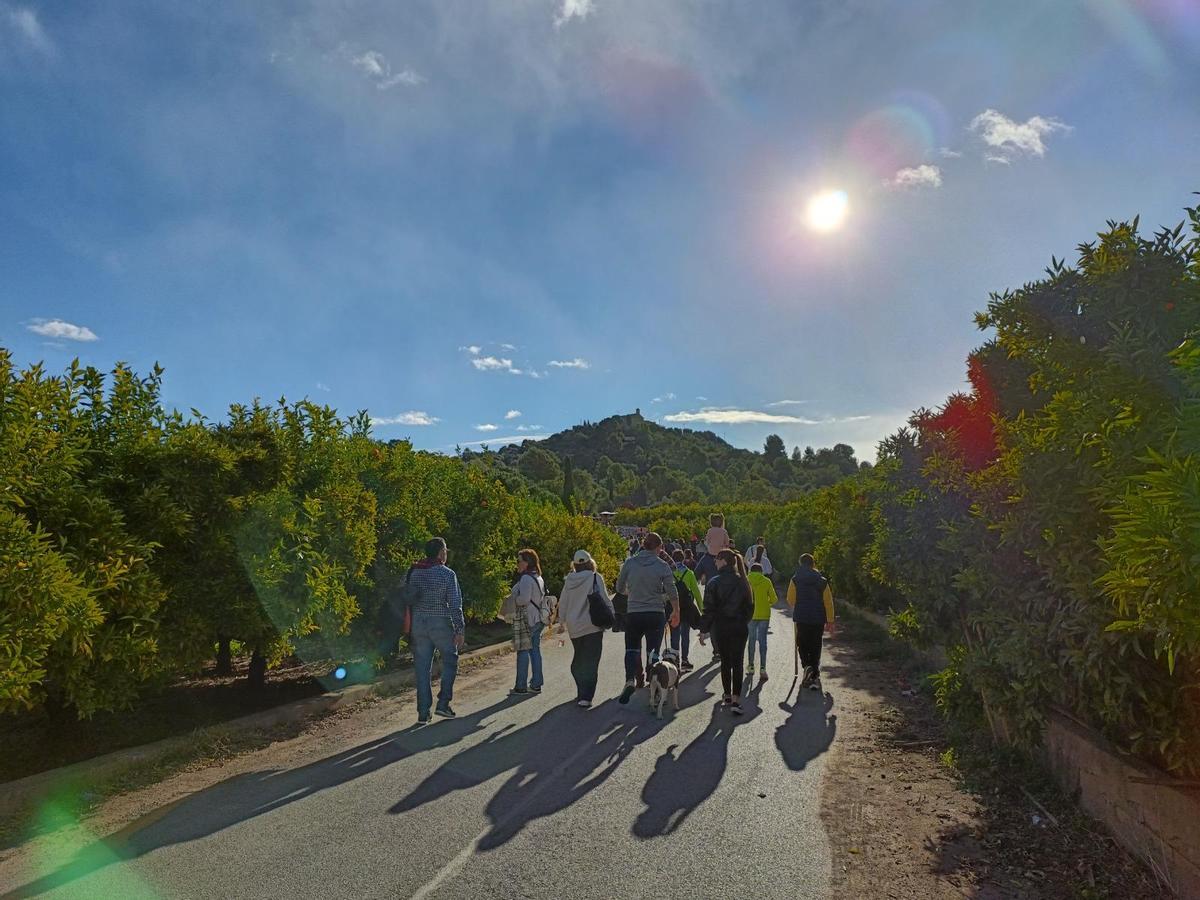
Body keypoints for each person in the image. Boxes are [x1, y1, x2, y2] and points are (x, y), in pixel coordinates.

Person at [614, 532, 680, 705]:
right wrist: (676, 611)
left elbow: (619, 587)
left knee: (632, 649)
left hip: (634, 612)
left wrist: (632, 592)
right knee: (653, 652)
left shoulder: (629, 563)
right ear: (658, 548)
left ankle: (630, 680)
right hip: (655, 613)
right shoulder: (662, 565)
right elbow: (672, 590)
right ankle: (655, 688)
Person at [408, 537, 466, 723]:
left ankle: (423, 712)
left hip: (418, 624)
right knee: (450, 660)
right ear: (441, 553)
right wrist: (459, 629)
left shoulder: (414, 572)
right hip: (440, 623)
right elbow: (455, 604)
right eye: (446, 550)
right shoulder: (447, 574)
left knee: (422, 668)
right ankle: (443, 704)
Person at [698, 549, 754, 713]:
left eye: (716, 559)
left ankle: (727, 695)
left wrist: (703, 630)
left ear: (723, 560)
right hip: (739, 627)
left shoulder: (714, 582)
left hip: (721, 627)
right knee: (738, 662)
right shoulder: (744, 581)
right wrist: (742, 620)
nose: (714, 562)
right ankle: (736, 700)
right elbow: (750, 607)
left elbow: (708, 609)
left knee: (725, 662)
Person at [557, 549, 614, 708]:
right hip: (593, 625)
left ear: (574, 565)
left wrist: (561, 622)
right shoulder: (596, 577)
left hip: (574, 627)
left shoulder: (569, 580)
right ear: (590, 563)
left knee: (579, 659)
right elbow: (604, 599)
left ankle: (581, 691)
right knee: (591, 661)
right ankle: (586, 696)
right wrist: (613, 615)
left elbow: (564, 601)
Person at [787, 552, 836, 692]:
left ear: (800, 564)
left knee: (802, 643)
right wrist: (831, 620)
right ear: (813, 564)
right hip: (818, 618)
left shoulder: (795, 579)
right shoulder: (822, 580)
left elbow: (791, 600)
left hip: (801, 617)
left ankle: (806, 665)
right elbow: (828, 602)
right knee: (815, 644)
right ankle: (814, 674)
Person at [507, 548, 550, 694]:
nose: (517, 564)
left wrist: (513, 600)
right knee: (535, 651)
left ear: (526, 562)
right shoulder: (538, 577)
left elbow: (524, 599)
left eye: (519, 561)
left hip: (527, 620)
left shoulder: (526, 578)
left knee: (523, 651)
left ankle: (521, 686)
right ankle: (536, 683)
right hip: (538, 619)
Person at [670, 549, 703, 672]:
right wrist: (702, 610)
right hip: (687, 609)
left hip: (673, 608)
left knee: (674, 635)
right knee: (685, 635)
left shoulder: (669, 573)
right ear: (684, 559)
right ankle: (684, 660)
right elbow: (696, 593)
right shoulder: (689, 573)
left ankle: (674, 660)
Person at [746, 562, 775, 683]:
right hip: (764, 615)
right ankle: (763, 668)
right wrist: (766, 604)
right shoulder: (767, 581)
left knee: (751, 639)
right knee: (763, 641)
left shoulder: (746, 580)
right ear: (761, 571)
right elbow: (774, 598)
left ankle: (751, 665)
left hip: (750, 614)